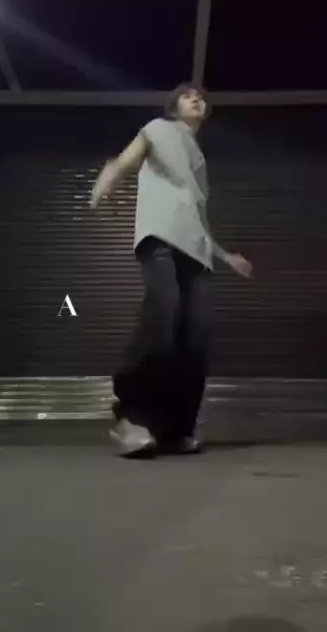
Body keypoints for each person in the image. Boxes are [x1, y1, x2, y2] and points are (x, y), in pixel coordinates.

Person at [89, 84, 252, 457]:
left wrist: (226, 256)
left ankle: (176, 429)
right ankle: (130, 417)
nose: (197, 99)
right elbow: (127, 159)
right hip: (160, 239)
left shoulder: (198, 158)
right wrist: (106, 181)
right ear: (174, 106)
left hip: (198, 254)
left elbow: (199, 220)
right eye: (188, 95)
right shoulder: (158, 129)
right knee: (163, 317)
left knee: (195, 342)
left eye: (202, 97)